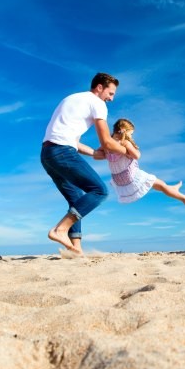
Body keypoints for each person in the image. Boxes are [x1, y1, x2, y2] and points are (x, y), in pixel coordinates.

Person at [41, 72, 126, 255]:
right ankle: (60, 230)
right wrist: (127, 152)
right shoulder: (98, 103)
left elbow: (75, 142)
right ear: (99, 87)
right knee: (100, 191)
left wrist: (95, 153)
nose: (111, 99)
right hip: (62, 152)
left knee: (76, 199)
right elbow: (106, 142)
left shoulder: (72, 99)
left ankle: (76, 249)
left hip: (48, 154)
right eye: (110, 94)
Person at [105, 118, 185, 205]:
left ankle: (176, 192)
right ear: (125, 131)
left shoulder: (107, 143)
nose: (131, 136)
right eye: (131, 133)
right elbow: (137, 156)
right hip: (130, 176)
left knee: (159, 185)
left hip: (119, 180)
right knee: (161, 185)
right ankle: (184, 198)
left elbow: (98, 154)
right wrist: (130, 149)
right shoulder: (125, 142)